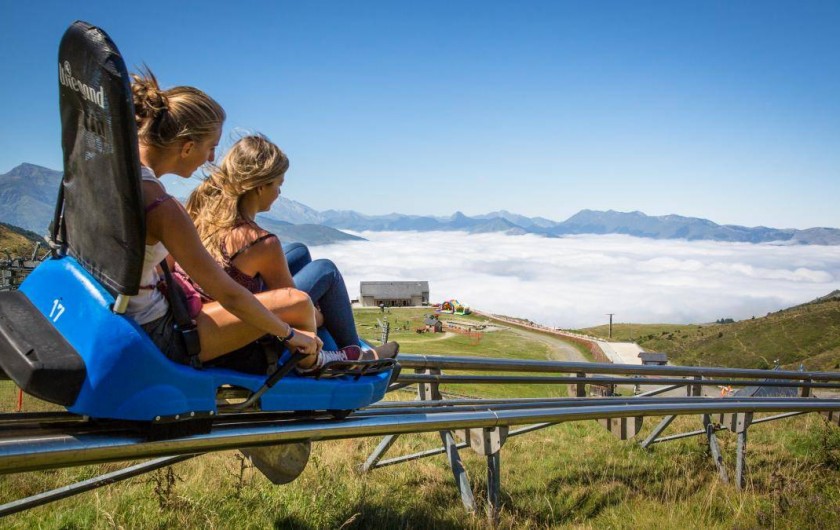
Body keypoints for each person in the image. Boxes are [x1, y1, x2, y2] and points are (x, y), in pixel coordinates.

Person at [128, 70, 365, 375]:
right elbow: (229, 295)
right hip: (168, 331)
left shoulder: (126, 179)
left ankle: (342, 347)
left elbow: (173, 264)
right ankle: (345, 356)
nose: (212, 157)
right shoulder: (162, 206)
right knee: (321, 275)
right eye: (210, 146)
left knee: (299, 252)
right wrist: (292, 331)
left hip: (164, 300)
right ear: (187, 146)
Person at [184, 134, 397, 358]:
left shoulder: (205, 216)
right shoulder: (259, 241)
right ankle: (356, 355)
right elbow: (294, 306)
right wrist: (322, 314)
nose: (279, 193)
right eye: (278, 185)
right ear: (260, 187)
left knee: (299, 250)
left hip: (205, 314)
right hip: (238, 331)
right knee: (327, 270)